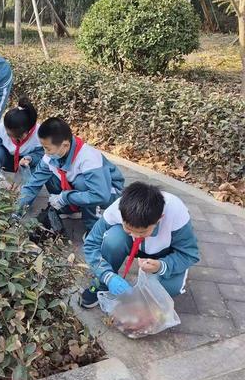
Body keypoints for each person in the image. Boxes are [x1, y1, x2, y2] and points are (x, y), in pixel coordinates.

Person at [80, 181, 200, 309]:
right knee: (113, 238)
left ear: (160, 219)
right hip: (131, 246)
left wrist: (162, 266)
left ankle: (152, 291)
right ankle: (102, 284)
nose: (136, 236)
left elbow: (189, 255)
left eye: (142, 231)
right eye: (128, 228)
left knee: (170, 288)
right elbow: (91, 244)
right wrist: (106, 275)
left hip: (164, 252)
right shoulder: (117, 208)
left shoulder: (177, 213)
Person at [18, 117, 124, 229]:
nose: (45, 153)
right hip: (82, 191)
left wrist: (65, 197)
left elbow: (100, 195)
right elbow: (33, 184)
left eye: (48, 149)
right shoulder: (51, 156)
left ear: (65, 145)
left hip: (109, 193)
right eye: (44, 148)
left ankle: (93, 226)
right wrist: (17, 210)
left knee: (82, 183)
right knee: (50, 177)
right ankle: (72, 209)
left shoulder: (89, 158)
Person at [0, 96, 43, 173]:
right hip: (6, 158)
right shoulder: (3, 128)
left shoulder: (39, 134)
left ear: (26, 132)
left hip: (24, 162)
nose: (11, 138)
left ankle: (28, 184)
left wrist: (30, 158)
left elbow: (41, 155)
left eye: (17, 137)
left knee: (37, 167)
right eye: (8, 134)